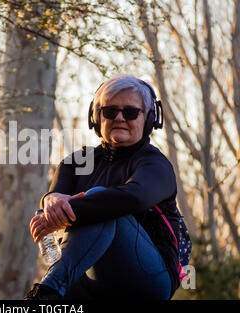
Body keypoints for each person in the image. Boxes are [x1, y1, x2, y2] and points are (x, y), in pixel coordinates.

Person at [24, 74, 184, 300]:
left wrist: (66, 212)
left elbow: (132, 199)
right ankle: (51, 293)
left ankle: (46, 293)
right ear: (96, 118)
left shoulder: (155, 165)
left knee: (104, 202)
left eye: (130, 112)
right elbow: (54, 200)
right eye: (110, 111)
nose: (119, 118)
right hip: (89, 277)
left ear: (149, 119)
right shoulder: (75, 163)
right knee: (96, 205)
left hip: (149, 278)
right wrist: (50, 200)